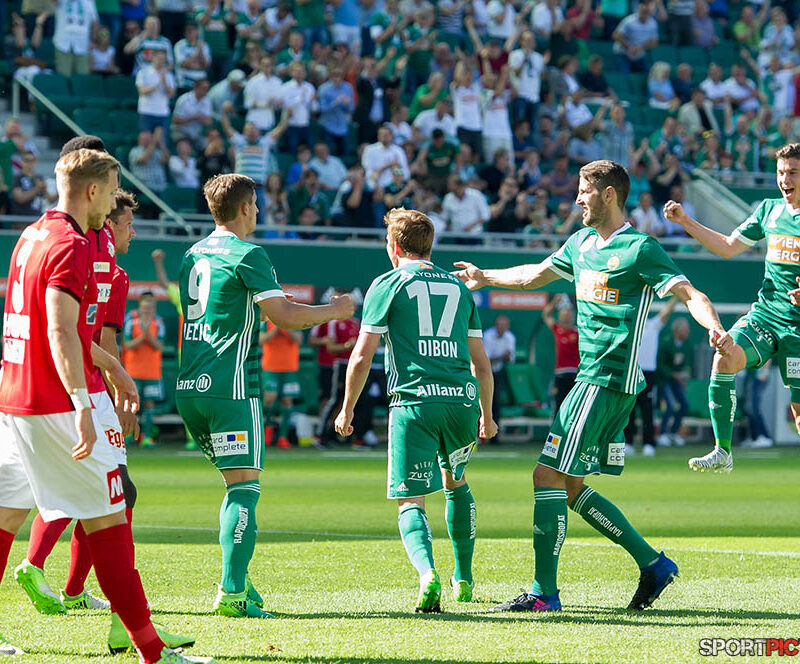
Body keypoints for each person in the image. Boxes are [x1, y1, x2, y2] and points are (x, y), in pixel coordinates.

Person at [453, 159, 732, 613]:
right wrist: (485, 277)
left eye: (584, 191)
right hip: (594, 382)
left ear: (608, 195)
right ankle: (653, 564)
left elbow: (691, 295)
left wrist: (713, 326)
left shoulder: (641, 249)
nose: (577, 199)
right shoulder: (580, 243)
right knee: (572, 487)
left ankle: (544, 593)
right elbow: (533, 275)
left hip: (606, 380)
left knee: (546, 475)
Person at [0, 148, 210, 663]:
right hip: (54, 404)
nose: (114, 204)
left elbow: (59, 326)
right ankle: (152, 651)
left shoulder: (31, 235)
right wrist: (83, 402)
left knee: (5, 518)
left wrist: (112, 368)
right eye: (112, 191)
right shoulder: (71, 244)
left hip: (13, 400)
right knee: (111, 521)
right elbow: (59, 329)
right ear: (92, 191)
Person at [175, 173, 354, 618]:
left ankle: (241, 581)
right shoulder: (249, 253)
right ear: (242, 208)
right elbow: (286, 317)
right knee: (244, 491)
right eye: (254, 204)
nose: (258, 210)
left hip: (191, 387)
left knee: (234, 487)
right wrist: (337, 310)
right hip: (231, 388)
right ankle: (232, 592)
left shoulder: (192, 254)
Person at [334, 208, 496, 612]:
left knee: (412, 500)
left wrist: (347, 409)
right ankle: (464, 579)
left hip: (415, 403)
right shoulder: (460, 289)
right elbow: (482, 363)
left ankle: (428, 575)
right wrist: (487, 414)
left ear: (394, 246)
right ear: (429, 246)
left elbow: (360, 357)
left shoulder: (387, 283)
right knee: (455, 482)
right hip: (460, 402)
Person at [663, 142, 800, 473]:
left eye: (793, 172)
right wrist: (685, 221)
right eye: (781, 173)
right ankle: (722, 451)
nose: (785, 179)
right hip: (766, 315)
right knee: (725, 356)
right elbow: (727, 247)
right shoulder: (769, 211)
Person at [625, 297, 679, 457]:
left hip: (648, 374)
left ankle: (649, 443)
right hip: (631, 373)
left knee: (648, 409)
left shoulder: (653, 325)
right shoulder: (629, 325)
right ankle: (627, 443)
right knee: (629, 409)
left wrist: (676, 296)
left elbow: (666, 312)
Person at [122, 292, 165, 449]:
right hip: (133, 370)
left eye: (150, 307)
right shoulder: (131, 322)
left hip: (152, 372)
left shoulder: (158, 322)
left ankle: (146, 437)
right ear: (140, 307)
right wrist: (143, 337)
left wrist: (147, 335)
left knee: (149, 405)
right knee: (131, 404)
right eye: (144, 307)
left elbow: (159, 345)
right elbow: (127, 345)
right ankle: (127, 436)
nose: (147, 310)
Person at [260, 322, 302, 449]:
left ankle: (283, 437)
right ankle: (267, 430)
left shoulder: (293, 320)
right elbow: (262, 340)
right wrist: (274, 329)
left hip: (289, 368)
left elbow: (299, 340)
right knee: (269, 399)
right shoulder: (266, 322)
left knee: (287, 401)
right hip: (271, 367)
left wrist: (286, 328)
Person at [656, 317, 692, 447]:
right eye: (685, 329)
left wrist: (685, 375)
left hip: (677, 381)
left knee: (684, 404)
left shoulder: (686, 344)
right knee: (670, 405)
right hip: (664, 380)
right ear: (677, 330)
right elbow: (660, 364)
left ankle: (674, 432)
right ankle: (663, 434)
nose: (688, 332)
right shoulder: (666, 342)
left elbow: (687, 363)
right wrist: (673, 374)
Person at [542, 295, 579, 414]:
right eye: (564, 315)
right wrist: (554, 302)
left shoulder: (578, 332)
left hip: (575, 375)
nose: (567, 317)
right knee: (558, 407)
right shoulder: (557, 329)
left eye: (569, 315)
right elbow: (546, 315)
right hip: (560, 375)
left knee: (574, 408)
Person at [482, 315, 515, 444]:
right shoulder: (488, 336)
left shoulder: (510, 337)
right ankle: (481, 437)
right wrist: (502, 356)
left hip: (498, 373)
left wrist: (503, 357)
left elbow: (510, 359)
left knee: (496, 403)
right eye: (499, 325)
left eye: (504, 326)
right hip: (484, 373)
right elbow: (485, 361)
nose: (501, 328)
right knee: (484, 402)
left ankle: (494, 437)